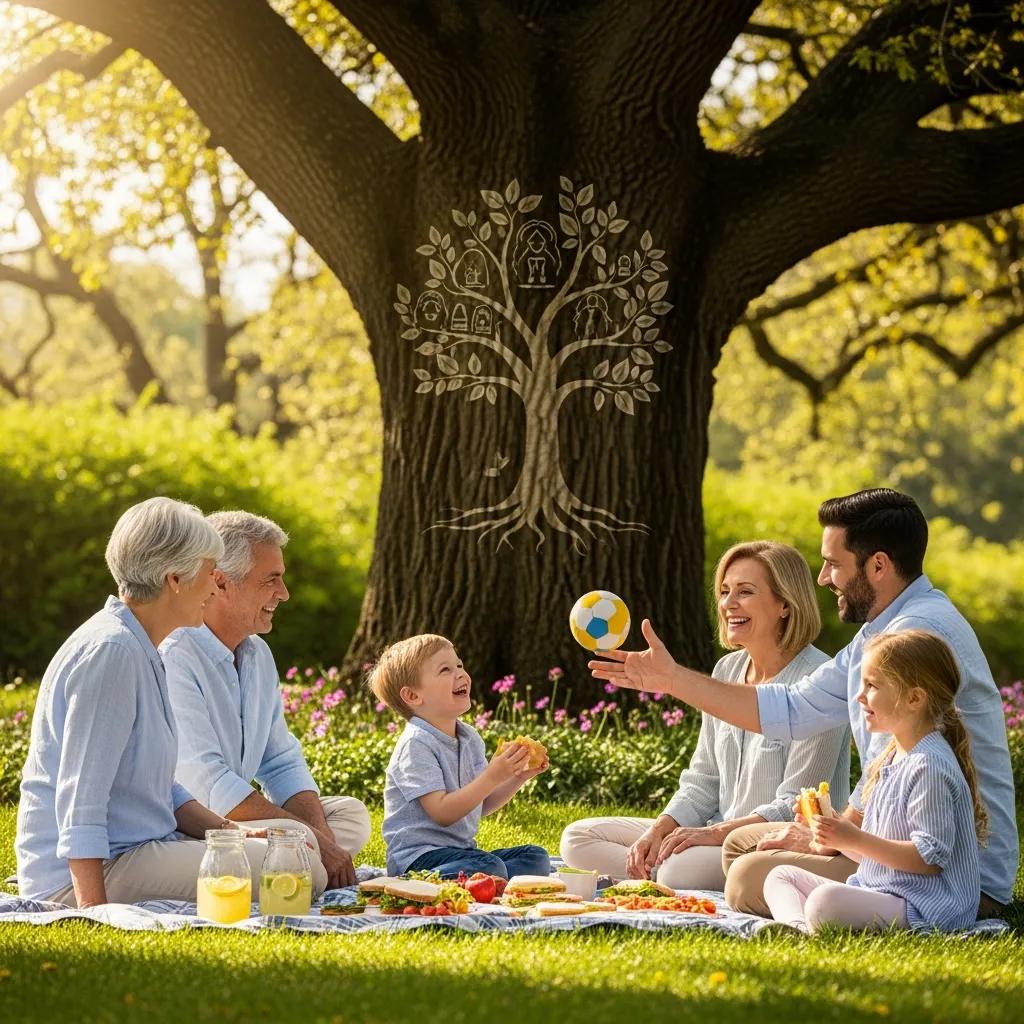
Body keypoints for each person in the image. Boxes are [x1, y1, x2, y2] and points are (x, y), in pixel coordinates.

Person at [589, 489, 1017, 918]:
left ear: (879, 566)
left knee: (746, 876)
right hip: (880, 846)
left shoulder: (915, 636)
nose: (823, 578)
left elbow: (908, 780)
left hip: (946, 880)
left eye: (834, 564)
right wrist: (672, 679)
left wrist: (830, 836)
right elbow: (791, 709)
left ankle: (802, 913)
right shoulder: (880, 635)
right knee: (740, 849)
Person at [15, 498, 320, 907]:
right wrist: (94, 913)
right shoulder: (112, 652)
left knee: (293, 849)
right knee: (301, 866)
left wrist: (233, 833)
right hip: (94, 871)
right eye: (209, 574)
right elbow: (80, 799)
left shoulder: (140, 645)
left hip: (142, 847)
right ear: (175, 579)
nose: (215, 587)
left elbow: (162, 788)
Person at [560, 542, 850, 890]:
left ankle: (657, 877)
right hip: (716, 830)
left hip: (775, 842)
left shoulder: (820, 682)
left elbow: (793, 805)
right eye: (725, 591)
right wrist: (660, 829)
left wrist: (712, 834)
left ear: (785, 604)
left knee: (677, 869)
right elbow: (703, 779)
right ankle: (650, 873)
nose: (728, 603)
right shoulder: (726, 670)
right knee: (577, 838)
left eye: (745, 592)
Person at [162, 511, 370, 890]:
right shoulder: (176, 655)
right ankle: (303, 865)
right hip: (191, 824)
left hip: (239, 824)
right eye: (271, 579)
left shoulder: (257, 654)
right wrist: (314, 842)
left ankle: (304, 862)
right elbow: (207, 783)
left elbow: (280, 759)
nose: (284, 593)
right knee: (303, 849)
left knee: (351, 815)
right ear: (221, 583)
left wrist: (318, 834)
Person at [764, 630, 985, 933]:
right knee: (780, 876)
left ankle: (804, 926)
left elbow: (928, 859)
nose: (859, 696)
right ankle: (796, 931)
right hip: (883, 891)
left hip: (925, 907)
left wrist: (853, 838)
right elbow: (873, 854)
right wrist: (831, 831)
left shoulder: (929, 766)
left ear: (914, 698)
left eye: (872, 685)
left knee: (823, 900)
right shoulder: (893, 756)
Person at [371, 634, 551, 879]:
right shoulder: (416, 745)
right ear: (413, 696)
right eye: (445, 669)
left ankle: (483, 882)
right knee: (489, 867)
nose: (460, 674)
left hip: (460, 854)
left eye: (459, 665)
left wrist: (517, 777)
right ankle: (417, 883)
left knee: (536, 857)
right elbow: (443, 813)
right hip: (418, 858)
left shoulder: (469, 738)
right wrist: (491, 776)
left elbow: (480, 804)